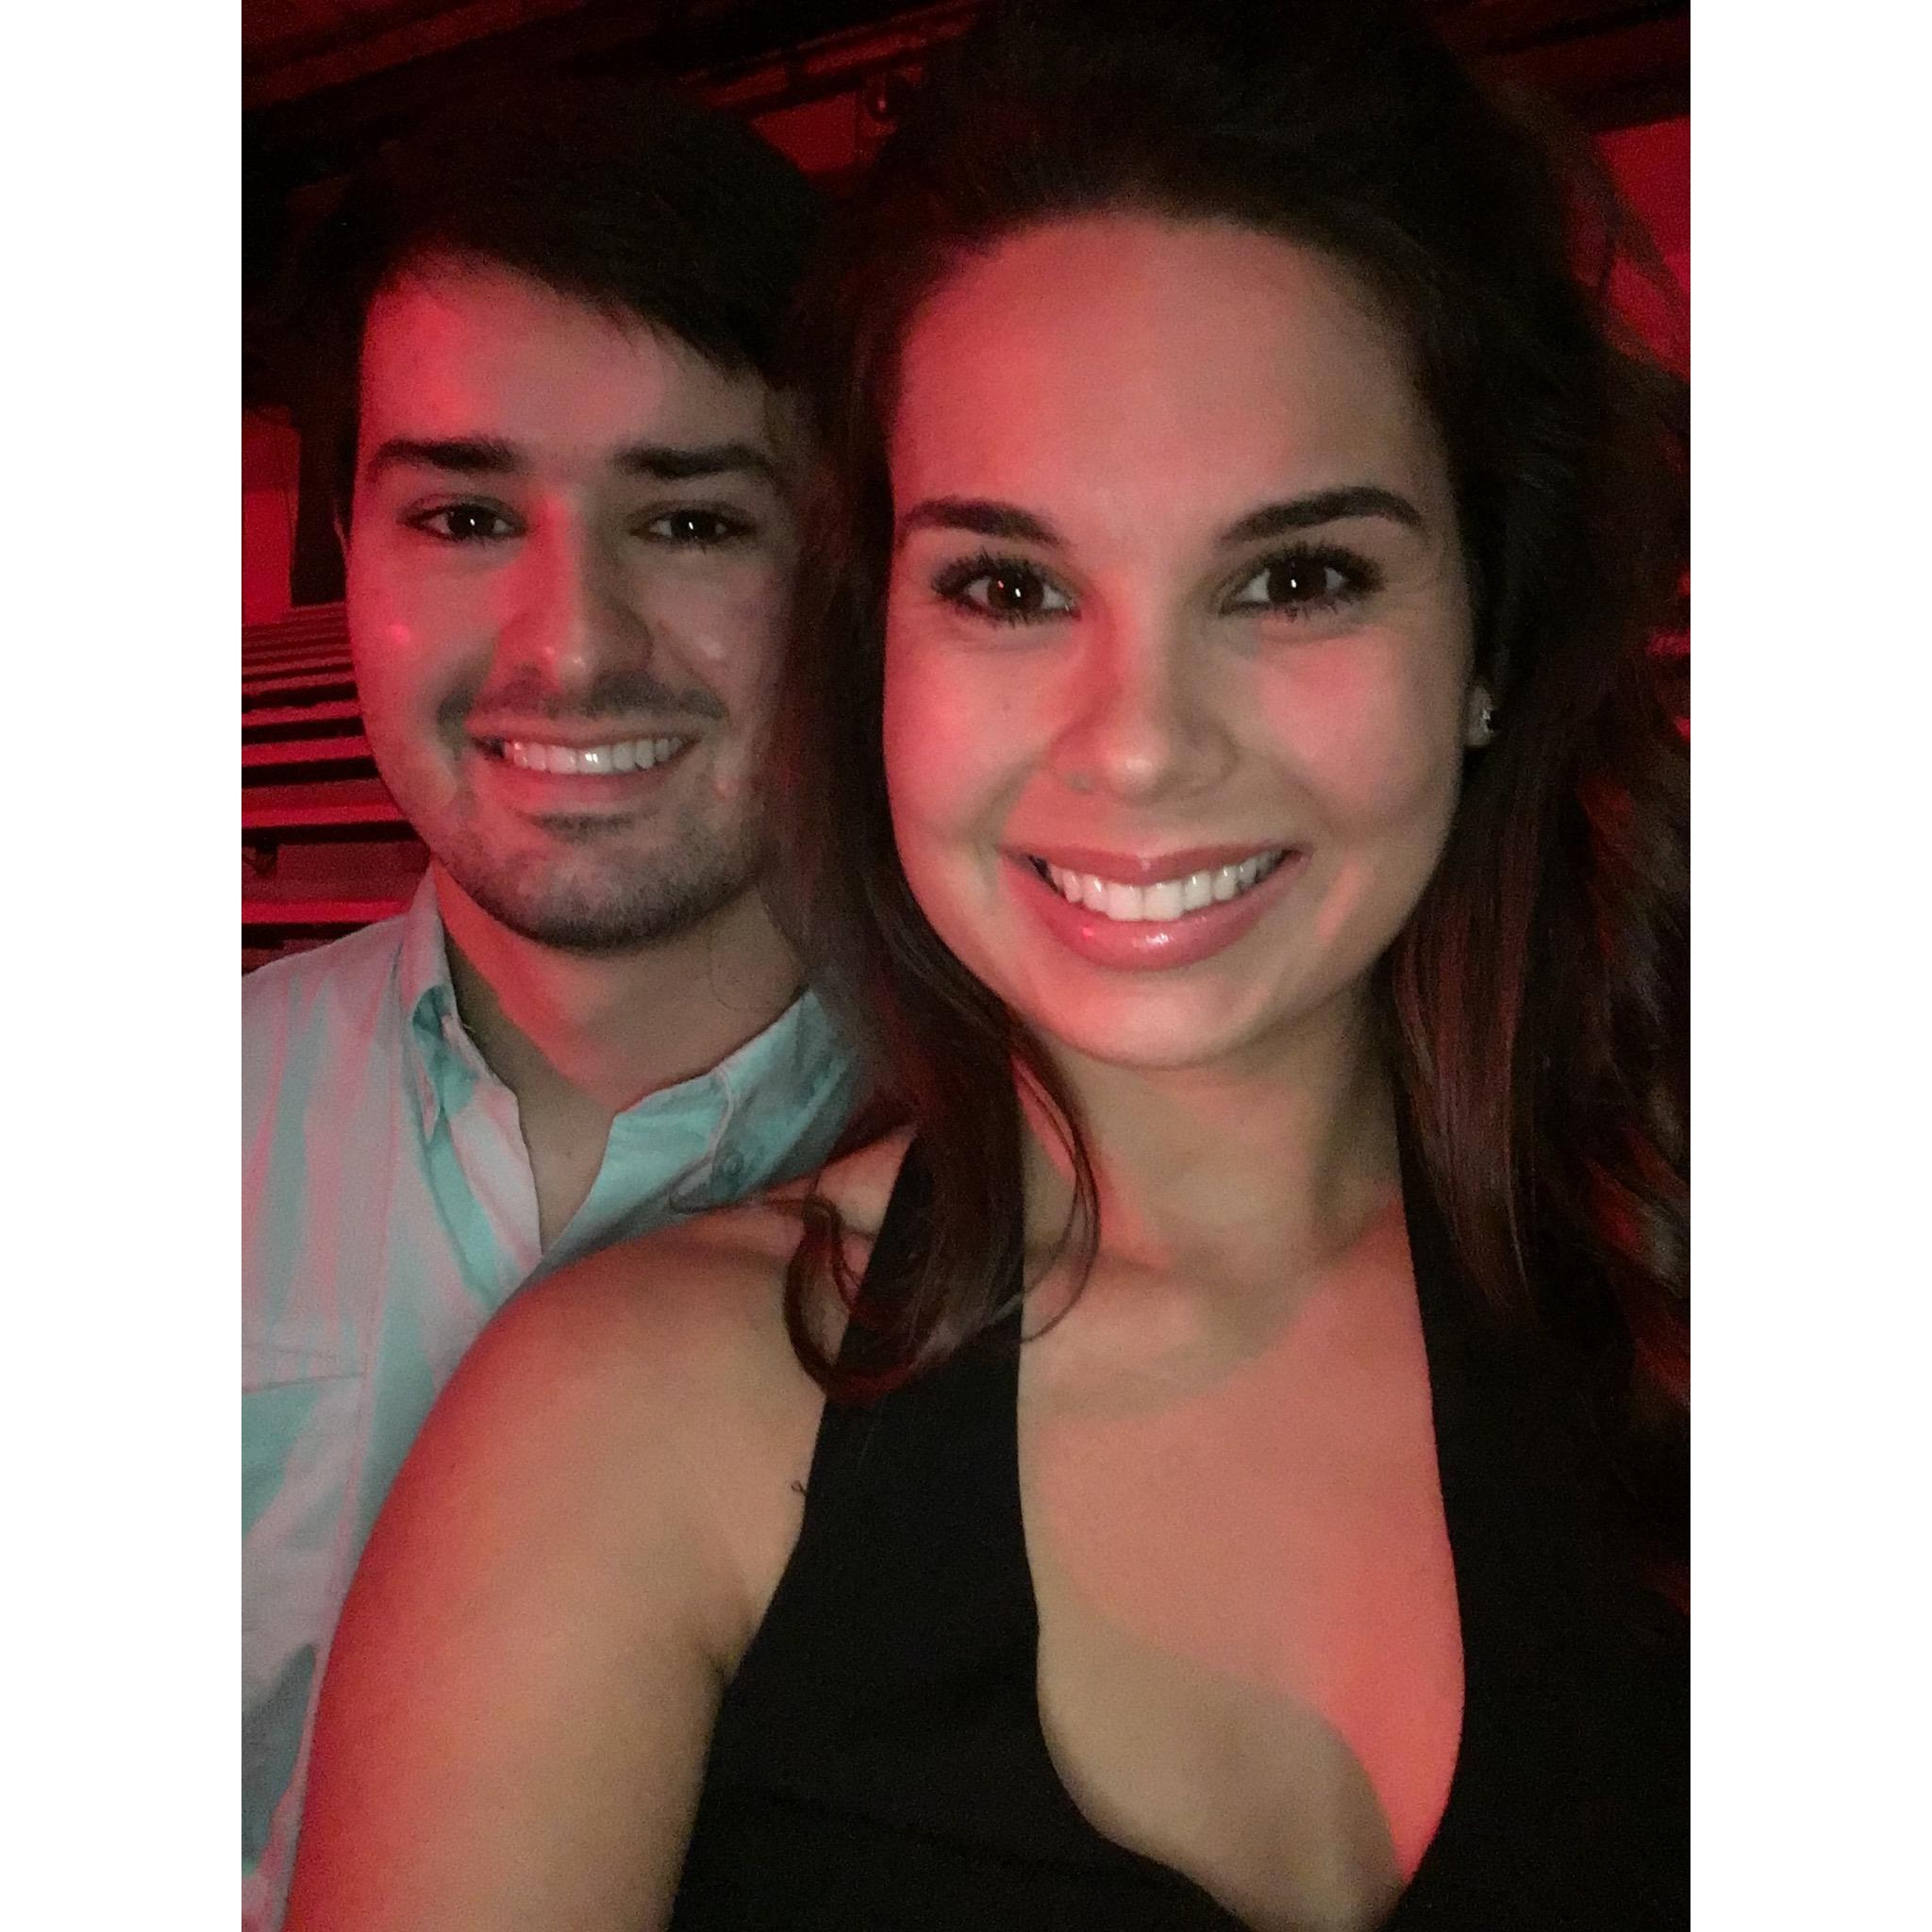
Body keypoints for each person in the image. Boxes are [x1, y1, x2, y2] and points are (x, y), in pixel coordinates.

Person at [286, 2, 1690, 1925]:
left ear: (1487, 642)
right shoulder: (620, 1426)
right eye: (1009, 586)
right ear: (878, 651)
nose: (1140, 745)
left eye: (1295, 578)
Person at [242, 77, 863, 1929]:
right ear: (346, 554)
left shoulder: (1044, 1190)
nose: (571, 644)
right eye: (461, 515)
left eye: (691, 521)